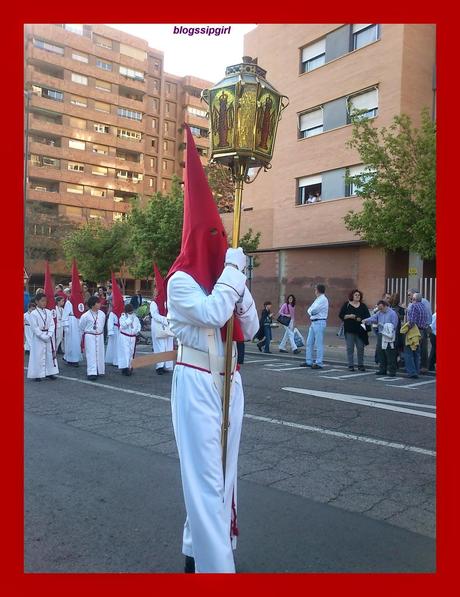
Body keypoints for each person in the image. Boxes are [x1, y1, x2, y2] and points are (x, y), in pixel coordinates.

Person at [166, 124, 259, 574]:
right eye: (214, 238)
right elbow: (208, 313)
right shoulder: (180, 280)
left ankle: (196, 551)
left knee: (224, 478)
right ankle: (216, 571)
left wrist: (241, 290)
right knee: (204, 481)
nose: (221, 247)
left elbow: (253, 327)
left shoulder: (227, 280)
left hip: (230, 382)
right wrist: (233, 278)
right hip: (198, 383)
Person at [26, 292, 59, 381]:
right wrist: (42, 336)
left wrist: (49, 334)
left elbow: (52, 324)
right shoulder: (33, 314)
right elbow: (34, 327)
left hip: (48, 335)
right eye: (42, 301)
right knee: (38, 355)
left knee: (49, 354)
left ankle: (50, 372)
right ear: (37, 301)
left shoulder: (48, 312)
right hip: (38, 337)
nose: (44, 303)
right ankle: (37, 374)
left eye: (45, 301)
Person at [362, 300, 399, 377]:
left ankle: (392, 371)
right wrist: (366, 320)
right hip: (381, 334)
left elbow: (394, 325)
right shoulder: (379, 312)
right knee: (381, 352)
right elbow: (373, 318)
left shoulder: (392, 313)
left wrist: (382, 324)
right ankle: (382, 369)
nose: (380, 310)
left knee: (390, 353)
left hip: (389, 336)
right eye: (379, 308)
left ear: (385, 306)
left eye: (381, 308)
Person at [338, 289, 370, 371]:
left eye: (359, 295)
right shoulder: (347, 305)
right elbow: (341, 315)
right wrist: (349, 316)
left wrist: (362, 319)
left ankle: (360, 364)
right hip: (349, 330)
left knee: (360, 348)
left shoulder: (363, 306)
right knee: (350, 348)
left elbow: (367, 317)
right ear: (352, 296)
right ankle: (350, 365)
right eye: (356, 295)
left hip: (360, 330)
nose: (357, 296)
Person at [402, 293, 430, 379]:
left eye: (411, 297)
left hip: (414, 331)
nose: (410, 299)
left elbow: (412, 321)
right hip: (422, 331)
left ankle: (412, 372)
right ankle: (416, 370)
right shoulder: (423, 306)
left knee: (409, 352)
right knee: (417, 352)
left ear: (414, 299)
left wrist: (405, 329)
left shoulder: (414, 306)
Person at [302, 284, 329, 369]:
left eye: (315, 289)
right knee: (309, 343)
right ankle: (309, 361)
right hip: (313, 322)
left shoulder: (323, 299)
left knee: (318, 343)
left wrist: (310, 312)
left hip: (319, 322)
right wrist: (310, 311)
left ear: (317, 290)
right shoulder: (318, 299)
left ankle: (319, 362)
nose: (315, 291)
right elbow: (310, 309)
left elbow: (314, 310)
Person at [79, 296, 106, 381]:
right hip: (90, 336)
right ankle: (91, 372)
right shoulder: (85, 315)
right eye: (98, 303)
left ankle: (100, 370)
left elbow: (103, 324)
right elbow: (81, 326)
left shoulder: (102, 314)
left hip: (100, 335)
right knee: (91, 354)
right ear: (93, 305)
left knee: (100, 353)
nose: (100, 304)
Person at [150, 284, 174, 376]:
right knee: (160, 346)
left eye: (156, 290)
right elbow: (154, 315)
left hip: (168, 325)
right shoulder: (154, 303)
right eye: (155, 290)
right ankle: (159, 366)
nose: (155, 292)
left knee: (168, 345)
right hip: (158, 325)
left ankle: (166, 365)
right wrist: (164, 319)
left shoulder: (167, 302)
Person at [117, 304, 141, 376]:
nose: (131, 313)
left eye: (132, 311)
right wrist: (129, 320)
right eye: (130, 312)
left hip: (132, 337)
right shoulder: (123, 317)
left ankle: (130, 367)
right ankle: (125, 368)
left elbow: (139, 325)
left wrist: (136, 331)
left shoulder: (135, 317)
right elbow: (123, 325)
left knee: (131, 353)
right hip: (125, 337)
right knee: (125, 353)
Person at [62, 293, 82, 367]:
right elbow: (65, 314)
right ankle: (70, 358)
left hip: (78, 322)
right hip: (71, 323)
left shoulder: (80, 302)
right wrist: (66, 325)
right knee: (70, 342)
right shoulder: (68, 302)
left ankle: (76, 358)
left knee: (77, 342)